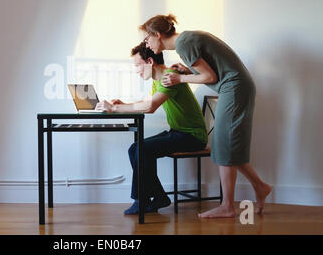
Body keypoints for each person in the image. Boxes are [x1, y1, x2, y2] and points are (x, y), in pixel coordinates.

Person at [140, 14, 272, 218]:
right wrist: (186, 69)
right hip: (235, 87)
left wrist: (180, 78)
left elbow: (210, 77)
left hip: (234, 88)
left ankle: (228, 206)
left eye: (147, 39)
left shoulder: (184, 43)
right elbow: (211, 70)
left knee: (223, 144)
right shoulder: (186, 39)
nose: (146, 44)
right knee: (227, 144)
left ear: (157, 34)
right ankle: (260, 187)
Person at [96, 42, 208, 215]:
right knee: (135, 148)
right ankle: (158, 197)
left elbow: (150, 107)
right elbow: (146, 103)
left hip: (192, 136)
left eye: (138, 65)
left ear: (149, 61)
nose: (137, 70)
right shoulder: (158, 81)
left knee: (142, 149)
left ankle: (142, 200)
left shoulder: (169, 77)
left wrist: (114, 109)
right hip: (179, 132)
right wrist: (124, 105)